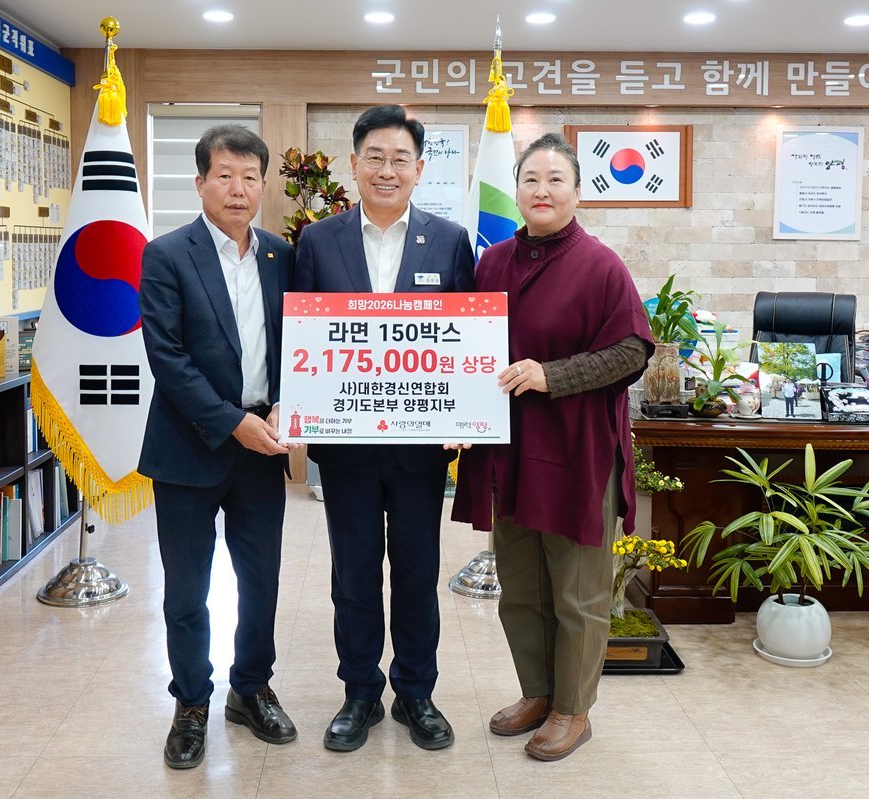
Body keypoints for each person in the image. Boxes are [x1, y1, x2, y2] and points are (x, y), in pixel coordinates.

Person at [451, 133, 653, 762]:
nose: (541, 190)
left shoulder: (600, 265)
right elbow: (464, 348)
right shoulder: (492, 263)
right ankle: (537, 693)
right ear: (515, 190)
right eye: (530, 179)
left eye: (555, 179)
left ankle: (573, 709)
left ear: (577, 191)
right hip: (510, 452)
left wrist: (552, 375)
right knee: (521, 589)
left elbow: (632, 351)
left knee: (577, 593)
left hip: (577, 453)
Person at [294, 104, 475, 752]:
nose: (387, 169)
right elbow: (302, 336)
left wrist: (466, 411)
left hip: (420, 449)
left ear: (420, 169)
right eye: (375, 157)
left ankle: (417, 692)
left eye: (401, 158)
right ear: (354, 164)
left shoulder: (449, 241)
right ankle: (360, 692)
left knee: (417, 573)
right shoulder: (318, 241)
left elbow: (467, 335)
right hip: (346, 447)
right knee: (353, 575)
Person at [138, 125, 296, 769]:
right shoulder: (166, 255)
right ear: (200, 181)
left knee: (261, 580)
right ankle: (191, 702)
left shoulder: (281, 255)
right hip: (188, 447)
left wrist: (288, 403)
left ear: (263, 185)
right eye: (224, 175)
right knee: (186, 589)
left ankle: (250, 688)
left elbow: (301, 344)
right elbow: (168, 357)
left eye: (250, 177)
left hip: (263, 445)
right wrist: (232, 422)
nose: (238, 189)